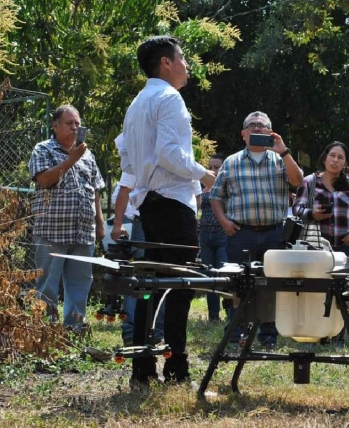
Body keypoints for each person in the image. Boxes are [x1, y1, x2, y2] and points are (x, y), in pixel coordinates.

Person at [118, 35, 216, 385]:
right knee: (180, 287)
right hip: (173, 205)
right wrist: (204, 173)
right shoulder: (169, 97)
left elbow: (126, 157)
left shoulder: (136, 103)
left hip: (148, 204)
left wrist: (136, 194)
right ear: (166, 63)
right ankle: (177, 370)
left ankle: (141, 371)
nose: (187, 65)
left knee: (150, 287)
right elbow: (169, 154)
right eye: (183, 58)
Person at [210, 111, 303, 348]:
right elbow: (215, 196)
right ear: (243, 134)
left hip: (274, 233)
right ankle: (236, 333)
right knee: (237, 285)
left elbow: (298, 181)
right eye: (252, 126)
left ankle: (268, 336)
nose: (257, 129)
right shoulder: (231, 162)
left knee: (271, 286)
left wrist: (283, 150)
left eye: (263, 126)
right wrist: (224, 222)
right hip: (241, 233)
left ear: (271, 133)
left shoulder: (280, 160)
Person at [28, 105, 105, 331]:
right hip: (52, 230)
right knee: (48, 283)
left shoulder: (87, 155)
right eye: (69, 123)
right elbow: (44, 180)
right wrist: (70, 160)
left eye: (77, 124)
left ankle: (74, 327)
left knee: (80, 282)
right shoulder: (43, 149)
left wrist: (100, 223)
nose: (74, 127)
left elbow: (96, 189)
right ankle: (45, 330)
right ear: (55, 126)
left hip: (83, 231)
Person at [109, 169, 165, 346]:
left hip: (170, 223)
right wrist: (123, 219)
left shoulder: (177, 154)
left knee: (163, 279)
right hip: (143, 222)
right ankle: (132, 331)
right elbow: (119, 194)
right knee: (140, 281)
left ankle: (156, 331)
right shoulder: (138, 156)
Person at [293, 142, 349, 257]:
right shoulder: (309, 182)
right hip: (314, 247)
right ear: (324, 159)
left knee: (344, 275)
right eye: (332, 155)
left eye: (340, 157)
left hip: (343, 249)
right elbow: (296, 209)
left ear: (346, 164)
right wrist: (311, 213)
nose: (335, 160)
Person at [197, 153, 227, 321]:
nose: (213, 170)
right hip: (205, 236)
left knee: (225, 275)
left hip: (222, 234)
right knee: (209, 277)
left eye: (217, 167)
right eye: (211, 167)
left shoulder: (227, 186)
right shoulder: (203, 186)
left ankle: (230, 312)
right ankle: (213, 316)